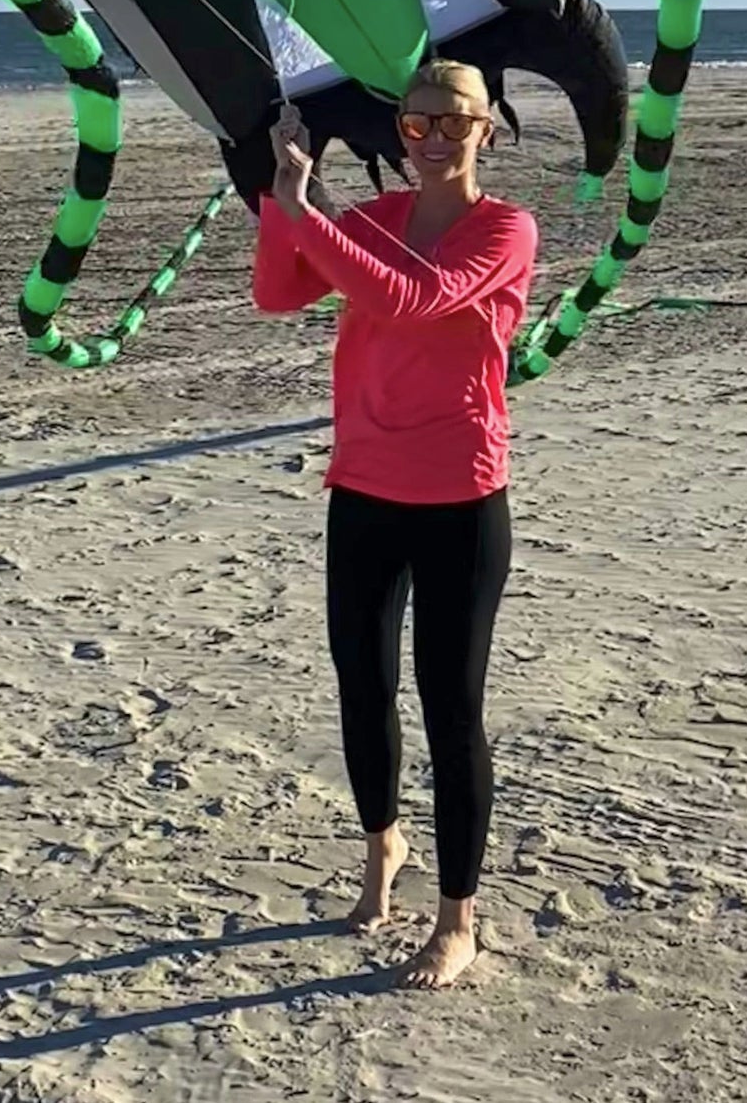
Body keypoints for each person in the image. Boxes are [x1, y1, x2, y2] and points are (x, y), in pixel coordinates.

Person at [252, 59, 538, 990]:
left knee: (451, 710)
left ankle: (459, 918)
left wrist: (307, 212)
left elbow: (406, 299)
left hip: (459, 492)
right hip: (365, 485)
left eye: (456, 122)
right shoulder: (373, 220)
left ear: (487, 130)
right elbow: (279, 293)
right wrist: (274, 190)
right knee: (360, 684)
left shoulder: (505, 228)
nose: (437, 138)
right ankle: (383, 844)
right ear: (401, 134)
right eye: (418, 125)